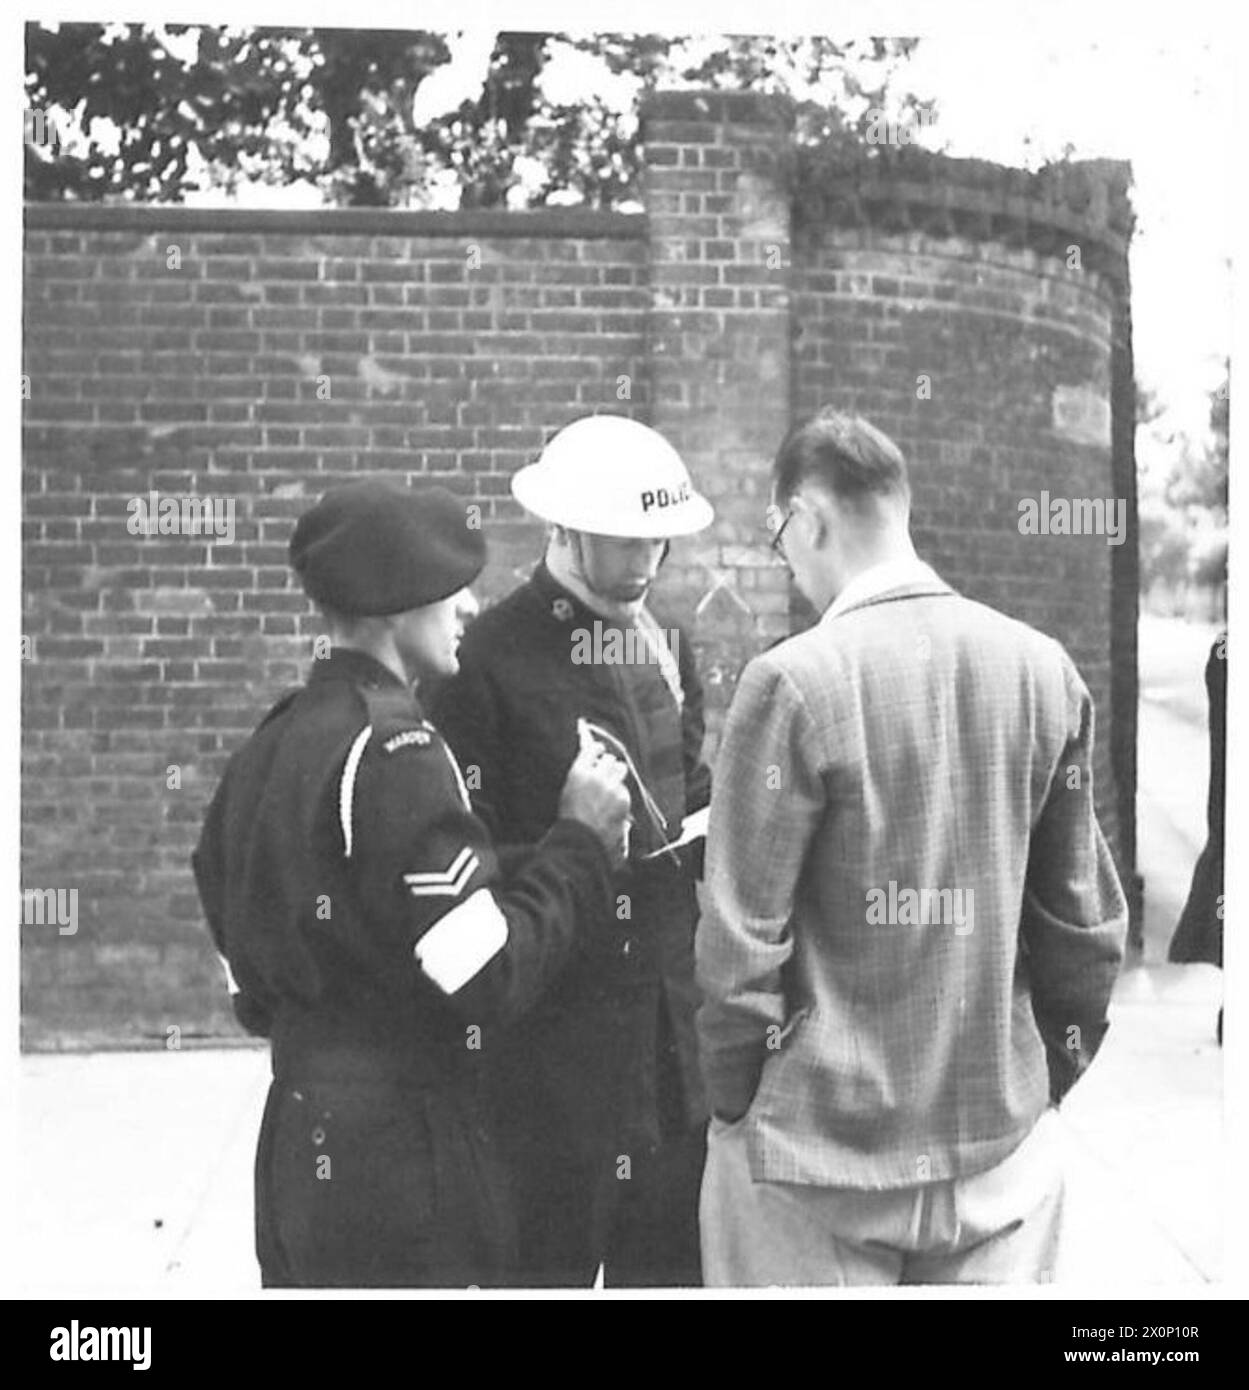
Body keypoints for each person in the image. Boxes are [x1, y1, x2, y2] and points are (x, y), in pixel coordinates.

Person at [695, 410, 1128, 1286]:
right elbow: (1082, 926)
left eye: (780, 534)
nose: (785, 557)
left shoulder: (788, 683)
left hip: (813, 1159)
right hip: (997, 1150)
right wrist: (1044, 1080)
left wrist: (735, 1107)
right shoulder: (1043, 669)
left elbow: (739, 949)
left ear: (808, 518)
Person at [191, 478, 631, 1288]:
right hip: (397, 1157)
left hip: (296, 1135)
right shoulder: (398, 750)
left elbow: (243, 958)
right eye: (447, 589)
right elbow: (485, 974)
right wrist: (579, 843)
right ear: (397, 607)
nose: (466, 607)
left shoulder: (275, 739)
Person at [432, 414, 714, 1286]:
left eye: (658, 542)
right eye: (624, 542)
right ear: (564, 531)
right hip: (548, 1056)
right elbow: (465, 858)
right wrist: (574, 844)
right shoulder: (482, 659)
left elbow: (689, 783)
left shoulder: (670, 645)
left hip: (668, 1051)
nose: (645, 564)